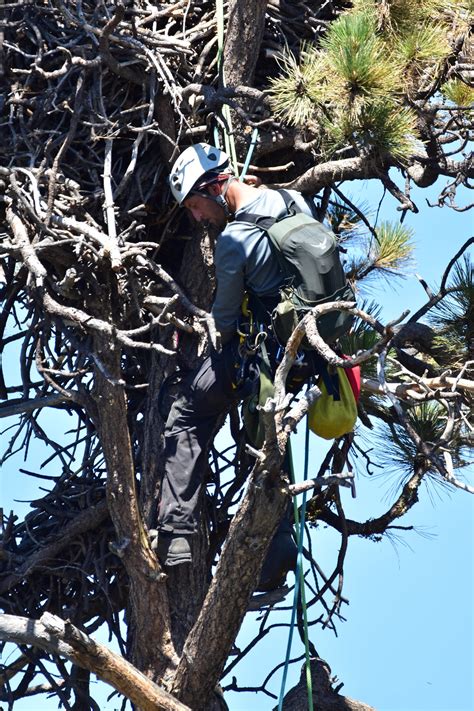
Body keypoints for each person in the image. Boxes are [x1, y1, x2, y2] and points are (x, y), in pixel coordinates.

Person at [155, 143, 315, 579]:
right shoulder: (291, 199)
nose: (196, 218)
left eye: (194, 206)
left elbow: (225, 320)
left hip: (264, 356)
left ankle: (178, 539)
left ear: (214, 186)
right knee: (266, 448)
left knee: (186, 414)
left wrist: (208, 336)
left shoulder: (233, 239)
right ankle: (274, 561)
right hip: (311, 353)